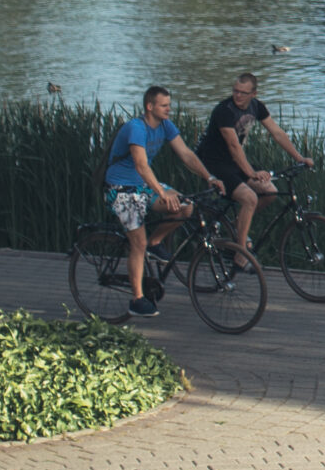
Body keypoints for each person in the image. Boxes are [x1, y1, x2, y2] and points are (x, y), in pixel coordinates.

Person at [103, 86, 225, 316]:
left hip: (144, 186)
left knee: (185, 207)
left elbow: (186, 153)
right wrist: (161, 192)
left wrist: (209, 177)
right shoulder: (136, 128)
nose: (169, 109)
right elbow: (141, 164)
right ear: (150, 107)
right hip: (121, 188)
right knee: (137, 242)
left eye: (169, 104)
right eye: (164, 105)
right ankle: (137, 299)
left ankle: (155, 243)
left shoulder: (166, 126)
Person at [196, 72, 313, 267]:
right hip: (214, 164)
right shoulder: (224, 111)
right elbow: (234, 146)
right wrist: (251, 173)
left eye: (243, 92)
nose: (238, 96)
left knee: (270, 192)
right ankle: (240, 254)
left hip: (234, 163)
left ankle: (235, 228)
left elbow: (276, 133)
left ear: (254, 93)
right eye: (235, 91)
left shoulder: (256, 106)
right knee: (249, 198)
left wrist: (299, 158)